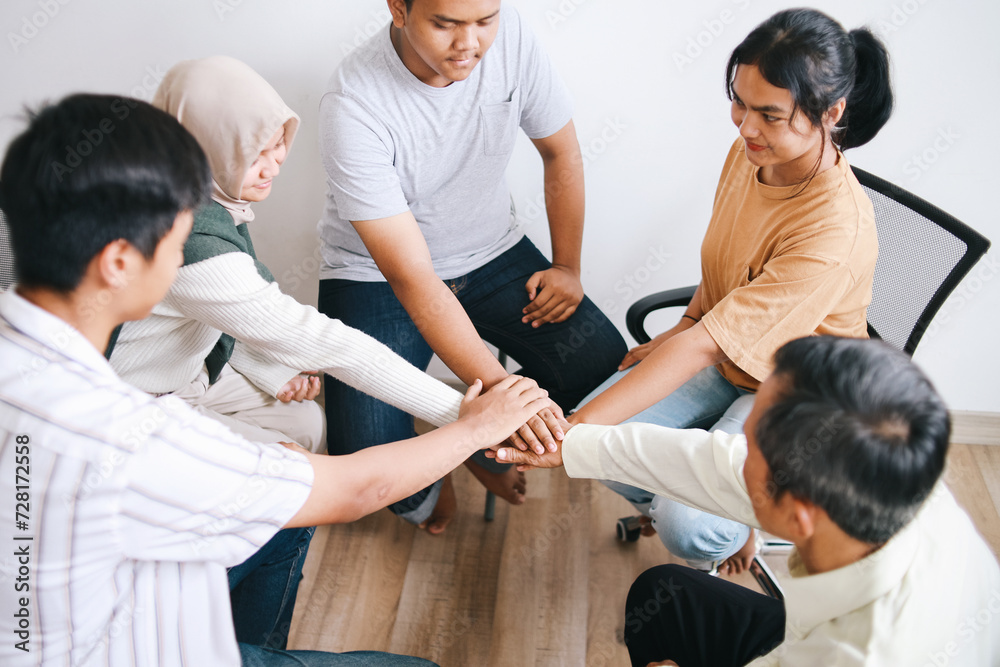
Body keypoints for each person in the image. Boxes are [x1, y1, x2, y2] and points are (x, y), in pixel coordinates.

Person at [0, 93, 551, 666]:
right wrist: (474, 430)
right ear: (118, 261)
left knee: (282, 514)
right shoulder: (133, 437)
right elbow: (356, 490)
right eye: (175, 240)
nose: (179, 259)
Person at [571, 8, 893, 574]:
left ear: (831, 112)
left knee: (683, 521)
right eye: (740, 102)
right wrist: (683, 324)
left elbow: (710, 346)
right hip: (730, 356)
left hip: (801, 393)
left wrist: (567, 435)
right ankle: (729, 503)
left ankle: (735, 520)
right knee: (603, 449)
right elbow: (725, 266)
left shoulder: (835, 229)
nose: (745, 126)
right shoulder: (752, 156)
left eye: (769, 114)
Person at [492, 336, 1000, 666]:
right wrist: (574, 443)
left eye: (749, 446)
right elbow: (712, 464)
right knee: (663, 591)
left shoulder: (862, 653)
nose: (733, 448)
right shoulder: (903, 472)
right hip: (820, 621)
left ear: (798, 516)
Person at [317, 0, 627, 533]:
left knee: (601, 366)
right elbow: (413, 277)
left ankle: (474, 438)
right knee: (363, 453)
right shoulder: (352, 103)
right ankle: (470, 448)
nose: (470, 45)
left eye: (486, 21)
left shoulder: (513, 40)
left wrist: (568, 267)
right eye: (445, 24)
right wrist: (504, 400)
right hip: (377, 275)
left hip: (492, 252)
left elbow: (562, 154)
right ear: (398, 8)